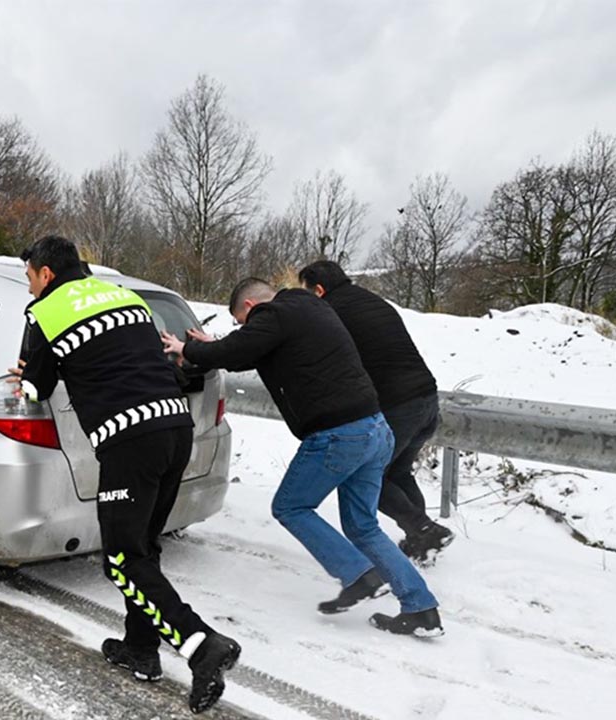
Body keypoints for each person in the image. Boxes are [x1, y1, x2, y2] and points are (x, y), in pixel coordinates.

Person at [12, 235, 240, 713]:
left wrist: (25, 374)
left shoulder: (45, 314)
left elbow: (35, 388)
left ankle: (201, 645)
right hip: (176, 429)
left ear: (46, 274)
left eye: (30, 277)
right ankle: (140, 648)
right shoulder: (127, 298)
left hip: (129, 440)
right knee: (143, 549)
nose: (29, 287)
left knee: (121, 559)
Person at [162, 278, 443, 638]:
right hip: (375, 429)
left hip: (339, 435)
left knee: (290, 507)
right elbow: (247, 350)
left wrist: (186, 348)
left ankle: (358, 574)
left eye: (241, 322)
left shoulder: (273, 314)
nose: (245, 329)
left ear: (250, 306)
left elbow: (241, 348)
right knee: (362, 525)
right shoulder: (309, 308)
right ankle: (420, 607)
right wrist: (215, 345)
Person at [297, 261, 453, 563]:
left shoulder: (331, 310)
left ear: (318, 289)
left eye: (307, 293)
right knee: (397, 472)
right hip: (427, 399)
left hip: (398, 405)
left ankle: (426, 530)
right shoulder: (371, 300)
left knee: (364, 475)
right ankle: (421, 542)